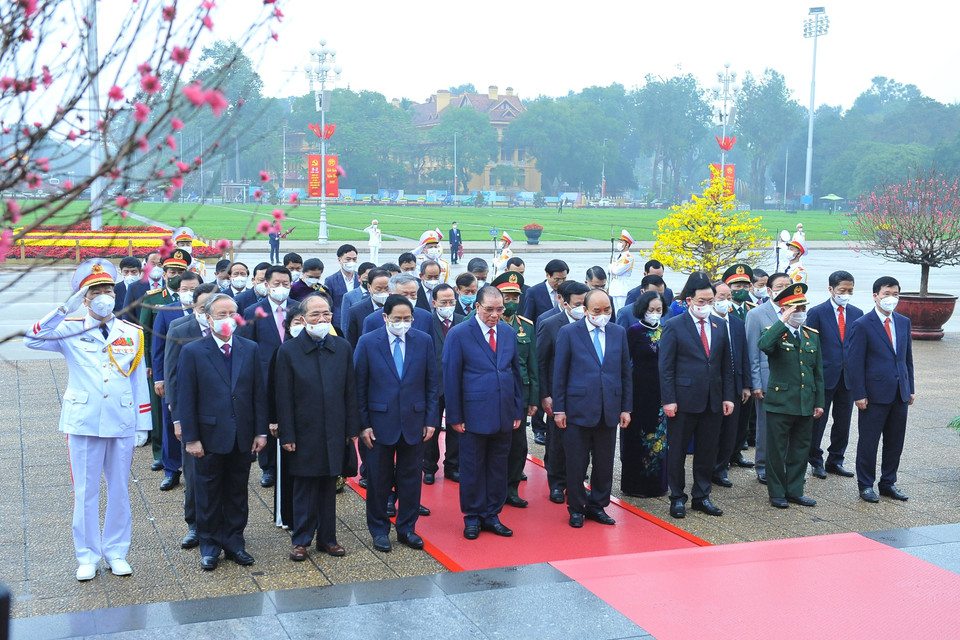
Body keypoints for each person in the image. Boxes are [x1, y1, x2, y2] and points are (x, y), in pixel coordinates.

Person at [24, 258, 150, 581]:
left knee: (120, 488)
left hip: (120, 420)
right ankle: (87, 555)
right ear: (85, 298)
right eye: (95, 291)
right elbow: (31, 339)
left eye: (108, 288)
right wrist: (62, 311)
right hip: (84, 421)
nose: (104, 295)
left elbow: (138, 381)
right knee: (86, 491)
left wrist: (142, 424)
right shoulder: (68, 330)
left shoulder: (131, 333)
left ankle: (117, 551)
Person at [178, 293, 268, 571]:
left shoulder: (249, 348)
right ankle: (210, 546)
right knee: (207, 492)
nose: (228, 319)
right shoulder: (193, 351)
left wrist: (260, 432)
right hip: (208, 436)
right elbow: (186, 398)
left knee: (237, 493)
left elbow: (258, 394)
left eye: (232, 314)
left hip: (242, 434)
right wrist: (191, 438)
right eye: (221, 315)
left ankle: (235, 543)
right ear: (208, 318)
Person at [275, 293, 359, 560]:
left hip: (334, 429)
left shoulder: (342, 347)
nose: (322, 319)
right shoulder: (288, 350)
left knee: (328, 486)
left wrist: (351, 429)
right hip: (303, 431)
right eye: (315, 315)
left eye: (326, 314)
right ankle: (301, 540)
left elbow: (350, 391)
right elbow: (283, 396)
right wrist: (286, 432)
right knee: (304, 486)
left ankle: (328, 538)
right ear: (302, 318)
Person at [355, 294, 439, 552]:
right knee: (379, 480)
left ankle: (407, 528)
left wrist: (431, 419)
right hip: (379, 423)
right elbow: (359, 387)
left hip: (414, 421)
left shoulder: (423, 341)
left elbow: (432, 383)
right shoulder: (368, 342)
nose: (402, 323)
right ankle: (379, 530)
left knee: (411, 478)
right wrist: (363, 425)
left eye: (407, 319)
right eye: (397, 319)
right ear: (385, 318)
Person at [443, 285, 524, 540]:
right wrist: (455, 416)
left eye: (499, 309)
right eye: (489, 309)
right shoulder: (459, 334)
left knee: (499, 466)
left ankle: (492, 514)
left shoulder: (509, 333)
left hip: (503, 413)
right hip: (473, 414)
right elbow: (451, 377)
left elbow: (515, 374)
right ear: (477, 307)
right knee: (473, 467)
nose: (495, 314)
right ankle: (472, 517)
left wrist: (517, 409)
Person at [553, 290, 632, 527]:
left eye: (607, 309)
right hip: (577, 409)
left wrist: (626, 407)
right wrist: (559, 409)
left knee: (604, 463)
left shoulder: (618, 333)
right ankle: (576, 507)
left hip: (609, 409)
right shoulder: (569, 333)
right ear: (585, 310)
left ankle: (598, 505)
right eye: (597, 311)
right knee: (576, 463)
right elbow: (560, 373)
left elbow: (625, 372)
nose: (603, 315)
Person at [659, 275, 735, 519]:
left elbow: (725, 365)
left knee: (706, 451)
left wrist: (727, 397)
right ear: (690, 300)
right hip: (683, 400)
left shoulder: (719, 325)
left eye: (711, 301)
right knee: (678, 451)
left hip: (712, 400)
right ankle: (677, 497)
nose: (707, 305)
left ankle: (702, 496)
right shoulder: (674, 325)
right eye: (702, 301)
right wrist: (668, 399)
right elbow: (666, 367)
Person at [846, 276, 915, 503]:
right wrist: (859, 394)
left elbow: (907, 359)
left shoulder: (903, 322)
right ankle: (865, 484)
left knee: (895, 442)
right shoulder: (862, 325)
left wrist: (910, 387)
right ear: (876, 296)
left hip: (899, 392)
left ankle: (888, 482)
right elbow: (854, 363)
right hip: (873, 395)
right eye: (887, 294)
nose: (891, 299)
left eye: (895, 294)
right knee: (869, 442)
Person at [759, 283, 824, 508]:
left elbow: (818, 373)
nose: (801, 313)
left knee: (800, 448)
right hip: (780, 402)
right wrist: (782, 322)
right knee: (776, 451)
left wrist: (819, 402)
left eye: (803, 308)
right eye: (795, 309)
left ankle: (795, 490)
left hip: (805, 402)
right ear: (785, 310)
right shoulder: (774, 332)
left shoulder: (811, 336)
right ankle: (777, 492)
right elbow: (764, 345)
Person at [164, 281, 218, 550]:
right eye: (202, 306)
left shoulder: (231, 327)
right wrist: (178, 418)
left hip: (223, 414)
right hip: (192, 413)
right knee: (194, 474)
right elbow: (173, 377)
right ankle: (195, 525)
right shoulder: (180, 329)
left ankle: (223, 527)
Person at [487, 272, 538, 508]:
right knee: (490, 446)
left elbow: (533, 366)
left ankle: (511, 489)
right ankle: (490, 490)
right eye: (506, 296)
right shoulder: (476, 323)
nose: (511, 302)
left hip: (518, 395)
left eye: (515, 298)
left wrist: (533, 399)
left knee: (518, 447)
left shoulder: (525, 327)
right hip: (489, 394)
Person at [240, 265, 294, 488]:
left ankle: (291, 462)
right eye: (276, 284)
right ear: (266, 285)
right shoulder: (253, 311)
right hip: (263, 376)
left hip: (293, 375)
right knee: (266, 419)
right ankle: (268, 467)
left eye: (285, 284)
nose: (281, 288)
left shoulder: (299, 309)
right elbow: (246, 347)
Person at [805, 271, 863, 479]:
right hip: (824, 377)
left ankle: (835, 460)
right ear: (831, 289)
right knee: (818, 421)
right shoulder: (817, 313)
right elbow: (809, 347)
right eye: (842, 290)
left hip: (848, 379)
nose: (846, 294)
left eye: (850, 291)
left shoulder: (857, 313)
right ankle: (815, 459)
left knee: (843, 422)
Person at [537, 281, 589, 503]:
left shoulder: (591, 321)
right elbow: (540, 362)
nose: (582, 309)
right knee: (557, 441)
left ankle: (577, 482)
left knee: (584, 442)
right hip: (558, 394)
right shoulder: (550, 325)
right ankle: (557, 483)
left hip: (585, 393)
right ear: (563, 301)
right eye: (578, 304)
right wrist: (545, 395)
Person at [151, 270, 201, 490]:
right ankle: (171, 470)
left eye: (193, 289)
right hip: (174, 379)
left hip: (202, 380)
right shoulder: (166, 311)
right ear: (177, 291)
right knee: (173, 424)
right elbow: (159, 349)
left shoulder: (212, 312)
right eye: (184, 289)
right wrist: (160, 378)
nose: (189, 294)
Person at [140, 249, 189, 471]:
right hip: (162, 366)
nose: (175, 275)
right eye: (171, 271)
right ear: (164, 273)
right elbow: (147, 335)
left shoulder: (196, 298)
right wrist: (149, 365)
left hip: (190, 367)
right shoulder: (154, 299)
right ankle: (162, 455)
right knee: (163, 415)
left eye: (180, 271)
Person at [745, 272, 792, 484]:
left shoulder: (797, 310)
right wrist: (755, 382)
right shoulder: (757, 314)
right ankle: (762, 466)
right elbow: (752, 350)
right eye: (780, 286)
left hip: (790, 379)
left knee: (789, 426)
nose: (784, 289)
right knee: (765, 427)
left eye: (788, 286)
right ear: (770, 291)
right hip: (766, 379)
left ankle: (785, 465)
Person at [623, 291, 669, 497]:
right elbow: (625, 362)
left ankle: (656, 484)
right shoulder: (633, 331)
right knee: (637, 437)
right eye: (651, 310)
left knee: (659, 438)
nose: (655, 314)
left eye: (659, 310)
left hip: (661, 391)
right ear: (643, 310)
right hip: (639, 390)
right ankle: (634, 485)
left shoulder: (666, 330)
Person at [268, 302, 308, 530]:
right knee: (286, 470)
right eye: (296, 323)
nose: (301, 327)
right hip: (286, 420)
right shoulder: (281, 351)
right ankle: (286, 516)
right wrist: (273, 418)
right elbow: (272, 389)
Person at [710, 281, 752, 489]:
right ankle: (708, 467)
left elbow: (743, 354)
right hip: (711, 385)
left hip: (734, 384)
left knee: (731, 430)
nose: (725, 301)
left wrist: (746, 385)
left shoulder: (736, 323)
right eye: (720, 297)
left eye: (728, 297)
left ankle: (721, 468)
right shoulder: (707, 322)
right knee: (712, 430)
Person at [423, 283, 465, 484]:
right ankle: (429, 466)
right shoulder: (426, 322)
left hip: (458, 385)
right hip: (433, 384)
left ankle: (453, 466)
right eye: (444, 302)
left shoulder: (463, 321)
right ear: (434, 303)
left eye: (451, 301)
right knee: (431, 427)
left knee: (455, 427)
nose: (448, 305)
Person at [361, 273, 434, 337]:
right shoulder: (372, 320)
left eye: (413, 294)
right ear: (390, 294)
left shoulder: (426, 317)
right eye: (404, 295)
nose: (408, 298)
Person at [347, 268, 391, 348]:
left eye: (387, 289)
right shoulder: (356, 311)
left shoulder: (397, 308)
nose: (383, 292)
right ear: (369, 287)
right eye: (378, 289)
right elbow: (352, 343)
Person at [324, 244, 361, 333]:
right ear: (340, 260)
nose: (351, 262)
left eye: (354, 259)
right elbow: (329, 304)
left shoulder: (360, 278)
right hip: (339, 324)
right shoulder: (331, 280)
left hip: (358, 322)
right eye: (348, 259)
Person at [522, 259, 568, 326]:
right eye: (557, 279)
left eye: (563, 279)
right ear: (548, 275)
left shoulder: (568, 291)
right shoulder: (533, 292)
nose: (560, 283)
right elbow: (528, 319)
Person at [122, 250, 162, 323]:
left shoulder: (169, 285)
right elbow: (127, 315)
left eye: (159, 264)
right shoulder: (134, 287)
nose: (156, 267)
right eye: (152, 264)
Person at [341, 261, 375, 333]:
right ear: (359, 278)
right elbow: (345, 323)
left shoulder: (379, 295)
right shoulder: (349, 296)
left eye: (372, 278)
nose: (369, 281)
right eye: (366, 278)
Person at [607, 229, 635, 310]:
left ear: (627, 245)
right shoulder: (618, 256)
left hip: (622, 288)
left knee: (620, 309)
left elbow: (617, 271)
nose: (619, 244)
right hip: (614, 287)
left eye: (621, 242)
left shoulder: (629, 258)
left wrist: (611, 267)